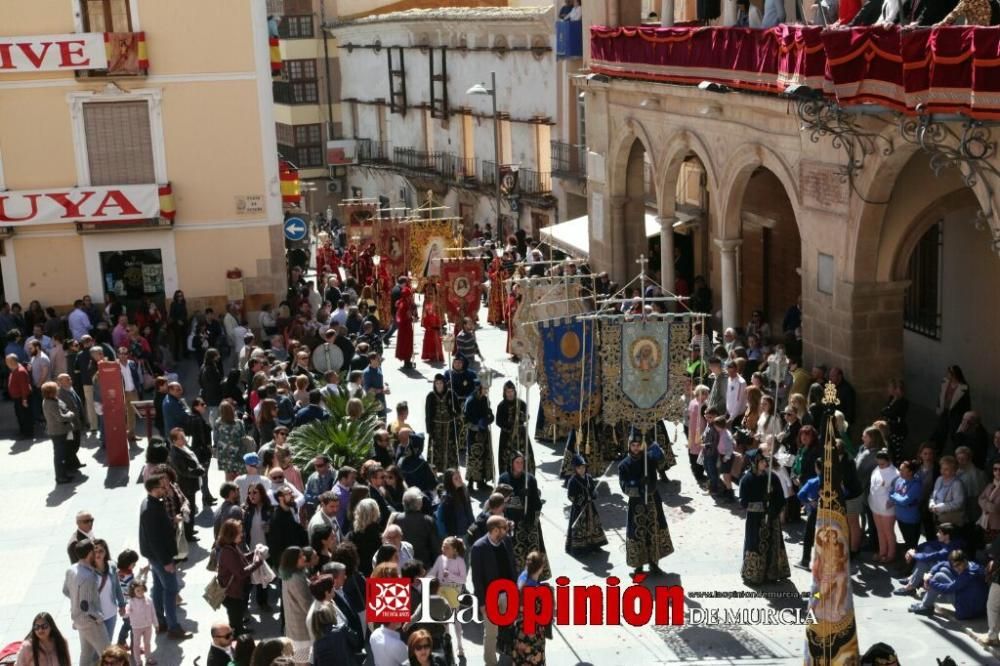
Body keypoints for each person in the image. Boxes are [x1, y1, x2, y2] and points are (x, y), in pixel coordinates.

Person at [138, 475, 191, 640]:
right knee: (171, 589)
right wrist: (167, 562)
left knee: (159, 588)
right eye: (162, 487)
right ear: (153, 489)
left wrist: (172, 520)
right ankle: (173, 627)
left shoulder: (151, 504)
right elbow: (155, 540)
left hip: (155, 556)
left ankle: (160, 622)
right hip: (161, 557)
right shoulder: (150, 509)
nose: (165, 489)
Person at [619, 435, 674, 574]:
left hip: (652, 500)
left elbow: (662, 465)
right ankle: (638, 564)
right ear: (629, 446)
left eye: (638, 445)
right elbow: (624, 486)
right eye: (633, 445)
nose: (636, 448)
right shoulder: (624, 465)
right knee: (637, 532)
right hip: (636, 503)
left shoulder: (649, 459)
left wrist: (659, 453)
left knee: (653, 530)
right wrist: (637, 485)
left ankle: (654, 562)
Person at [470, 516, 517, 666]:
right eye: (504, 527)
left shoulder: (507, 541)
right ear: (495, 530)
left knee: (512, 627)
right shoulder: (478, 548)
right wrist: (482, 603)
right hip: (491, 598)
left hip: (509, 594)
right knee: (491, 634)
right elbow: (476, 579)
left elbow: (512, 565)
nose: (507, 529)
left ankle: (511, 656)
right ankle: (490, 663)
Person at [739, 450, 790, 584]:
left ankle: (773, 573)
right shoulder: (747, 480)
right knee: (755, 545)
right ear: (754, 463)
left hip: (772, 519)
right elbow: (744, 503)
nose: (764, 463)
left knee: (773, 545)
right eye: (761, 461)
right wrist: (762, 505)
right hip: (755, 521)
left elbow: (781, 498)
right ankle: (754, 575)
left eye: (764, 461)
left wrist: (773, 506)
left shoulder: (772, 477)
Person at [499, 451, 549, 578]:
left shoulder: (530, 479)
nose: (520, 465)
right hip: (512, 522)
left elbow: (537, 504)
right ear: (512, 464)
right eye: (517, 462)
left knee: (532, 553)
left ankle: (534, 577)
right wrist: (519, 497)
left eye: (522, 462)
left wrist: (531, 504)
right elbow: (502, 501)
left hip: (528, 521)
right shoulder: (504, 479)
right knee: (514, 553)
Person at [63, 539, 110, 665]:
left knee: (86, 653)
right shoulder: (89, 576)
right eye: (94, 550)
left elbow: (66, 591)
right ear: (90, 553)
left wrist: (76, 600)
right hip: (91, 622)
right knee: (109, 655)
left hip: (79, 621)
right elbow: (86, 606)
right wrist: (99, 618)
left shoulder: (71, 569)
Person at [908, 550, 987, 618]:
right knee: (943, 569)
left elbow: (948, 589)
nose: (956, 568)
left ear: (965, 561)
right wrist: (930, 573)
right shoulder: (971, 564)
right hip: (972, 603)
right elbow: (942, 563)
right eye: (954, 566)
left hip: (968, 611)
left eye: (958, 565)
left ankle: (925, 606)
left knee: (939, 576)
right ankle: (925, 603)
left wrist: (929, 581)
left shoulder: (969, 574)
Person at [428, 536, 468, 658]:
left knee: (455, 619)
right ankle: (447, 644)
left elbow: (463, 579)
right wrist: (423, 579)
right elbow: (433, 572)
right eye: (443, 546)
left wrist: (449, 575)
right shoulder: (440, 559)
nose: (443, 549)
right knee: (444, 621)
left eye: (446, 547)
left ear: (455, 550)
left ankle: (460, 645)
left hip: (454, 592)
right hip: (440, 592)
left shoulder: (460, 561)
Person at [565, 454, 608, 554]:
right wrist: (582, 499)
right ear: (575, 468)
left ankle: (595, 545)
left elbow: (593, 489)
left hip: (590, 508)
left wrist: (593, 494)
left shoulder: (588, 477)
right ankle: (580, 547)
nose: (582, 470)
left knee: (593, 526)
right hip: (579, 509)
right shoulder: (572, 481)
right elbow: (571, 496)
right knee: (580, 528)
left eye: (583, 467)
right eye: (579, 468)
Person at [278, 546, 313, 663]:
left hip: (293, 627)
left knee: (297, 661)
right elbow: (307, 605)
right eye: (300, 556)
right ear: (292, 560)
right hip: (301, 631)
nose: (304, 558)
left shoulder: (288, 574)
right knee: (303, 662)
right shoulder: (296, 578)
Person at [41, 381, 76, 484]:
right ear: (51, 392)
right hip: (58, 432)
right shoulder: (50, 403)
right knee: (59, 455)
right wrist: (70, 415)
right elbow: (60, 418)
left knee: (62, 453)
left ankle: (64, 473)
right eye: (56, 389)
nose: (58, 390)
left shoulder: (52, 400)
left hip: (60, 431)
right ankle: (61, 477)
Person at [496, 380, 534, 475]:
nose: (510, 394)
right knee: (507, 458)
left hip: (521, 435)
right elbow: (498, 421)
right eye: (508, 392)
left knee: (525, 456)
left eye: (511, 391)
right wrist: (509, 425)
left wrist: (521, 416)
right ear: (504, 393)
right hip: (507, 436)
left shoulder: (521, 403)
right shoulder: (501, 406)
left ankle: (527, 478)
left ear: (515, 391)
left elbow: (527, 416)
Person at [464, 384, 495, 492]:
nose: (486, 391)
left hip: (484, 432)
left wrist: (489, 418)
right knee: (474, 457)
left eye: (487, 389)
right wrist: (477, 424)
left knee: (484, 456)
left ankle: (481, 481)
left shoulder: (485, 399)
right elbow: (466, 418)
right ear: (479, 389)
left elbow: (489, 413)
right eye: (484, 389)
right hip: (474, 433)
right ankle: (470, 483)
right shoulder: (470, 401)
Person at [869, 450, 899, 563]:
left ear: (889, 461)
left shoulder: (895, 473)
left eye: (883, 464)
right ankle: (882, 552)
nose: (880, 466)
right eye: (879, 463)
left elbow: (897, 490)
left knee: (888, 531)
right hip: (875, 505)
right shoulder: (876, 469)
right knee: (880, 530)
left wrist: (891, 501)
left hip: (887, 507)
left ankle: (891, 554)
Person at [426, 374, 460, 473]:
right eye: (437, 383)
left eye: (441, 383)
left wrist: (455, 413)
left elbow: (458, 410)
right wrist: (429, 430)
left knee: (450, 450)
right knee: (435, 451)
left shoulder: (451, 394)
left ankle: (450, 472)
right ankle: (434, 473)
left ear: (444, 384)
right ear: (434, 384)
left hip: (449, 427)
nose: (439, 385)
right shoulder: (431, 396)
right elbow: (428, 414)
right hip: (436, 428)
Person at [934, 365, 970, 451]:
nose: (947, 374)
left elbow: (966, 403)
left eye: (949, 373)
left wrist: (965, 417)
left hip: (956, 413)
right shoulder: (945, 382)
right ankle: (938, 450)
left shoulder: (963, 387)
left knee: (955, 433)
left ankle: (956, 452)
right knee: (941, 431)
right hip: (945, 411)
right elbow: (941, 396)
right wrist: (939, 407)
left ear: (954, 375)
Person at [890, 461, 924, 552]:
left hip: (911, 520)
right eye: (899, 469)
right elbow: (891, 492)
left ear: (910, 472)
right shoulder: (899, 480)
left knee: (912, 545)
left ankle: (912, 564)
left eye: (902, 470)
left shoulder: (916, 485)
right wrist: (898, 497)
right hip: (900, 517)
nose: (899, 472)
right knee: (907, 542)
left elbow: (904, 501)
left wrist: (895, 497)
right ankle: (907, 562)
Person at [214, 400, 247, 481]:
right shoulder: (239, 422)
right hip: (238, 450)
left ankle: (229, 491)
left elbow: (215, 438)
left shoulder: (218, 422)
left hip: (224, 452)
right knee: (239, 474)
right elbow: (244, 436)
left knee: (228, 474)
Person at [124, 580, 156, 666]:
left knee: (147, 643)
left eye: (142, 589)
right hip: (136, 627)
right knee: (136, 645)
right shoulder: (131, 602)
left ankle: (148, 657)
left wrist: (156, 624)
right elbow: (126, 613)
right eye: (138, 590)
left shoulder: (149, 600)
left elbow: (153, 612)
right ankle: (138, 661)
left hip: (148, 626)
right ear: (133, 591)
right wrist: (125, 613)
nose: (140, 592)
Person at [7, 353, 34, 439]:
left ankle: (27, 433)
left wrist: (24, 399)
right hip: (18, 398)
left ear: (12, 361)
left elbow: (24, 387)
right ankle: (23, 431)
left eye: (7, 361)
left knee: (24, 416)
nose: (6, 363)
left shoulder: (20, 371)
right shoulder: (15, 369)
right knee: (20, 415)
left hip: (22, 399)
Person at [420, 288, 445, 364]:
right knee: (430, 341)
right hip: (429, 328)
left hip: (435, 326)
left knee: (436, 341)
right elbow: (424, 316)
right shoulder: (426, 304)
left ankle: (437, 355)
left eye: (432, 294)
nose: (430, 296)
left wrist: (439, 323)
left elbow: (440, 314)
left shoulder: (437, 303)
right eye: (429, 294)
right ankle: (430, 355)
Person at [395, 280, 415, 369]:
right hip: (405, 328)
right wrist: (410, 315)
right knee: (406, 344)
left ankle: (408, 360)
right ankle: (407, 361)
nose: (410, 297)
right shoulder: (403, 304)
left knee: (408, 344)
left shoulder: (405, 302)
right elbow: (402, 317)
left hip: (406, 327)